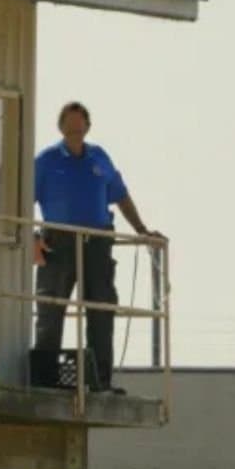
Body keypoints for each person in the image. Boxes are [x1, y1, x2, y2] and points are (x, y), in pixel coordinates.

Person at [33, 102, 161, 395]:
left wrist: (141, 230)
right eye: (70, 127)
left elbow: (120, 194)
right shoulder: (46, 161)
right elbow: (20, 196)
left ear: (87, 127)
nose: (75, 132)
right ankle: (44, 380)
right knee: (51, 308)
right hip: (59, 243)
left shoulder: (99, 157)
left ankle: (100, 380)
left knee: (101, 310)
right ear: (61, 128)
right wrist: (31, 237)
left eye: (80, 127)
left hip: (98, 243)